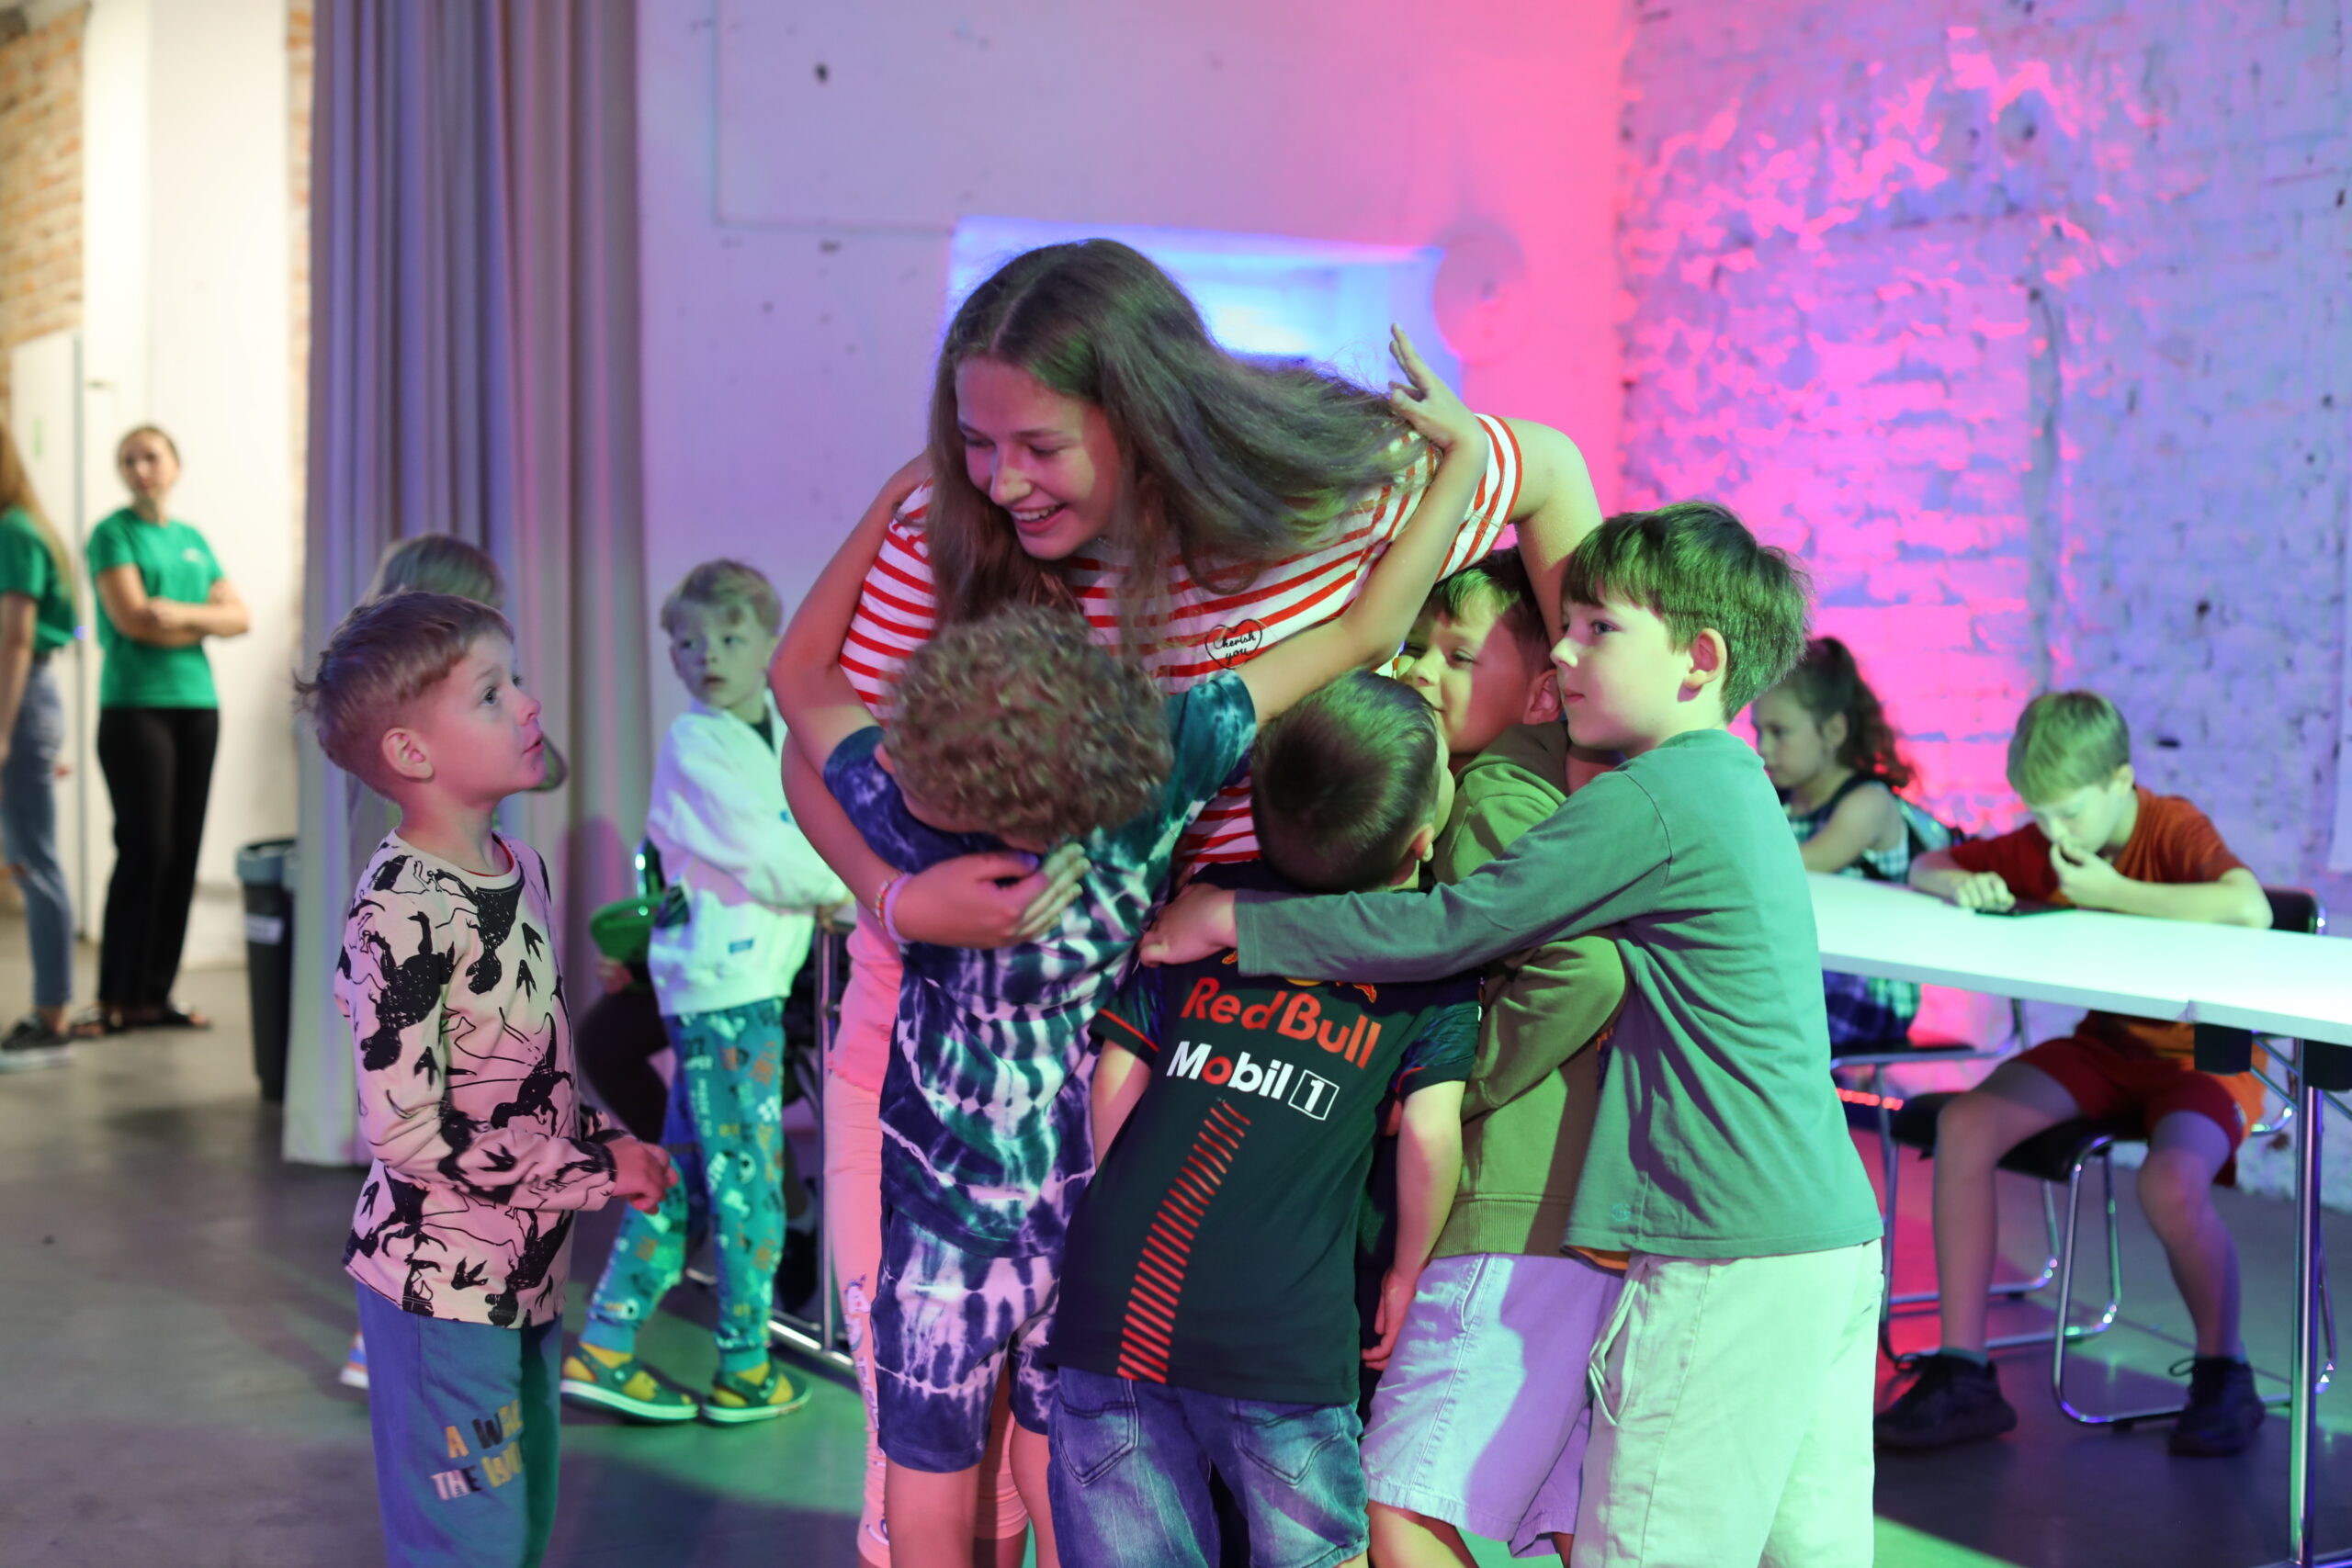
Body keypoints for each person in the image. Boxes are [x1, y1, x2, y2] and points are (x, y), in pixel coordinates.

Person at [781, 238, 1603, 1568]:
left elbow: (805, 693)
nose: (998, 480)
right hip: (1015, 1071)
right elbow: (813, 740)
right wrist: (895, 901)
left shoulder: (1314, 510)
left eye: (1037, 445)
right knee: (1025, 1462)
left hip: (1164, 1083)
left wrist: (1598, 764)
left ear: (1148, 415)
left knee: (1057, 1454)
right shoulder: (1137, 745)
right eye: (973, 443)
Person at [1143, 502, 1887, 1568]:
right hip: (1826, 1237)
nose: (1566, 653)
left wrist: (1237, 919)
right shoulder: (1730, 787)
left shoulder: (1658, 797)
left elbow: (1452, 926)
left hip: (1727, 1246)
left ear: (1701, 661)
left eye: (1598, 629)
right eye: (1565, 627)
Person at [1051, 674, 1474, 1568]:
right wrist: (1406, 1274)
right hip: (1279, 1332)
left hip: (1111, 1295)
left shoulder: (1208, 910)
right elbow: (1431, 1136)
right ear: (1423, 841)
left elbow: (1115, 1075)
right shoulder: (1432, 961)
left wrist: (1120, 1200)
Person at [297, 590, 673, 1566]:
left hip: (528, 1273)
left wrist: (605, 1140)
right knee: (469, 1540)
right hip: (440, 1293)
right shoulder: (400, 911)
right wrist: (594, 1173)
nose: (529, 705)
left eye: (518, 681)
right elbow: (408, 1131)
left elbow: (529, 1074)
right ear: (412, 754)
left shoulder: (518, 867)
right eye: (492, 693)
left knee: (520, 1518)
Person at [1878, 690, 2274, 1457]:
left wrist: (2115, 894)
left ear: (2121, 780)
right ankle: (1964, 1372)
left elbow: (2250, 907)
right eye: (2039, 814)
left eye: (2067, 812)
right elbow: (1929, 860)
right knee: (1965, 1124)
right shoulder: (2048, 842)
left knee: (2170, 1182)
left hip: (2205, 1058)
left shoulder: (2171, 825)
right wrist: (1959, 882)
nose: (2053, 832)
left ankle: (2226, 1372)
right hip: (2107, 1047)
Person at [1366, 556, 1628, 1565]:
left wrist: (1448, 1087)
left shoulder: (1487, 799)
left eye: (1459, 654)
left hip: (1512, 1212)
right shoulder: (1556, 790)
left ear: (1542, 691)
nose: (1420, 671)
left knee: (1396, 1508)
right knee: (1568, 1524)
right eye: (1417, 648)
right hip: (1575, 1216)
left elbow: (1584, 970)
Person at [561, 560, 848, 1424]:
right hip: (728, 988)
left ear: (769, 644)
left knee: (684, 1171)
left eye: (728, 637)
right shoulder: (696, 743)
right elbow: (773, 855)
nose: (707, 655)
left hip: (747, 983)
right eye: (689, 643)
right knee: (751, 1182)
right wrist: (858, 883)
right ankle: (744, 1365)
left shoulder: (782, 730)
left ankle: (607, 1344)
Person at [75, 425, 248, 1037]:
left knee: (182, 851)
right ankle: (117, 997)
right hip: (135, 707)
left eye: (150, 456)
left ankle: (155, 995)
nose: (140, 468)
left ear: (175, 464)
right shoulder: (112, 534)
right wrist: (206, 620)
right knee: (146, 847)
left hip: (197, 706)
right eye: (128, 460)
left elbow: (240, 617)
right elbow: (135, 621)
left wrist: (181, 613)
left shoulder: (192, 538)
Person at [1751, 636, 1952, 1048]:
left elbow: (1791, 869)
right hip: (1807, 979)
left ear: (1833, 731)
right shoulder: (1778, 799)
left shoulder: (1866, 803)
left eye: (1779, 732)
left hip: (1864, 993)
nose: (1763, 748)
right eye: (1758, 732)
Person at [0, 423, 81, 1068]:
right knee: (29, 855)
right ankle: (51, 1007)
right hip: (25, 701)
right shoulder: (22, 527)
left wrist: (4, 731)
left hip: (19, 700)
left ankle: (52, 1014)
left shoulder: (15, 531)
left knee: (33, 859)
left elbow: (16, 639)